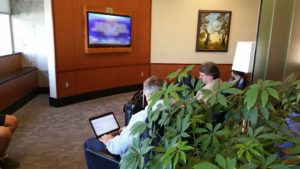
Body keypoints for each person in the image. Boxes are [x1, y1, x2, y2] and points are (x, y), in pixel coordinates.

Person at [83, 75, 164, 169]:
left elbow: (119, 147)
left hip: (137, 162)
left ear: (149, 95)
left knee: (89, 143)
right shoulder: (175, 108)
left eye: (144, 95)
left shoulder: (141, 117)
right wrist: (129, 129)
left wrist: (109, 140)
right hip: (161, 157)